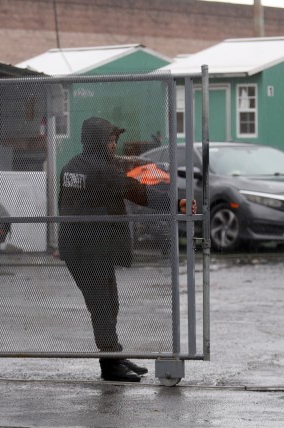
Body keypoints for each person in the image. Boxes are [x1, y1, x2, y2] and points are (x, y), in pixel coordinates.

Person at [58, 116, 195, 382]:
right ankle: (110, 365)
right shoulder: (102, 170)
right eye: (110, 140)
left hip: (81, 244)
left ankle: (114, 355)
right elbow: (136, 191)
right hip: (89, 246)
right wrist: (176, 204)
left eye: (115, 140)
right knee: (103, 305)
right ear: (98, 142)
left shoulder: (73, 166)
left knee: (107, 303)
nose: (114, 144)